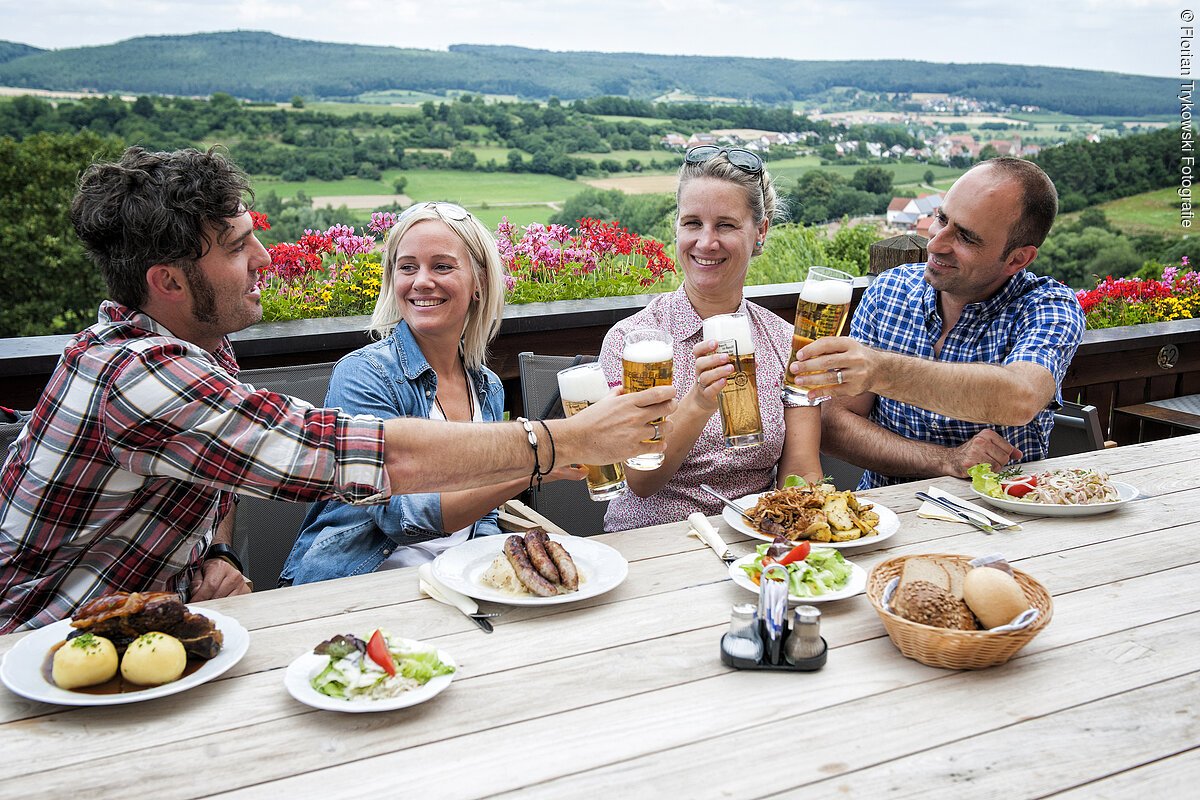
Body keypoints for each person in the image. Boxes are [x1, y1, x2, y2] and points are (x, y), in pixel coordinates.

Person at [0, 147, 674, 633]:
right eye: (237, 248)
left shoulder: (203, 353)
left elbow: (220, 475)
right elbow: (370, 462)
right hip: (37, 654)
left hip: (149, 627)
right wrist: (558, 445)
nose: (264, 259)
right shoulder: (136, 374)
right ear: (169, 283)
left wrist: (217, 553)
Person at [281, 204, 585, 584]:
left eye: (441, 266)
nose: (421, 281)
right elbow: (400, 517)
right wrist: (531, 466)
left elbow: (482, 519)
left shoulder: (486, 387)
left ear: (479, 283)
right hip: (359, 584)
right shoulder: (365, 374)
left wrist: (496, 578)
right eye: (407, 267)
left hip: (454, 582)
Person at [791, 157, 1085, 489]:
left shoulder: (1047, 305)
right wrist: (945, 461)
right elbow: (832, 426)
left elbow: (1020, 398)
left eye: (967, 238)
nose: (934, 243)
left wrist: (879, 370)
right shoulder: (890, 290)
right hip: (884, 518)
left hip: (1001, 521)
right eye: (941, 218)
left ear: (1017, 259)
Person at [598, 146, 823, 531]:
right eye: (692, 223)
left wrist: (798, 538)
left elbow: (801, 471)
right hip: (653, 546)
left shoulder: (787, 342)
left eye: (725, 225)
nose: (706, 242)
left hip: (756, 539)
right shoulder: (634, 342)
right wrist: (699, 402)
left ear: (761, 232)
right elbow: (641, 481)